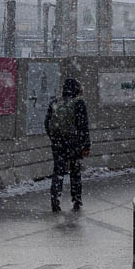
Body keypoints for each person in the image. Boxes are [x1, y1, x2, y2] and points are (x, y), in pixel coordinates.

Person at [44, 76, 91, 213]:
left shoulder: (55, 102)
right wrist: (85, 145)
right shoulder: (79, 103)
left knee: (58, 172)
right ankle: (76, 199)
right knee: (75, 172)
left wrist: (54, 138)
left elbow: (46, 123)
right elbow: (83, 126)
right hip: (74, 143)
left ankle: (55, 200)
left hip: (58, 143)